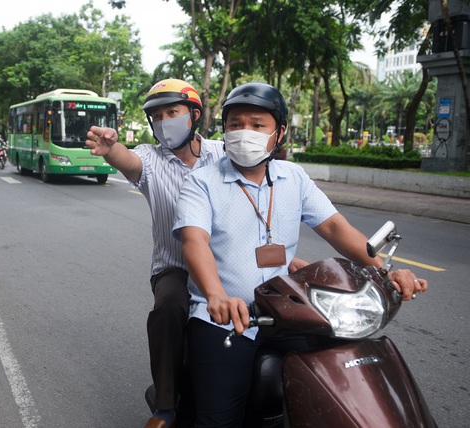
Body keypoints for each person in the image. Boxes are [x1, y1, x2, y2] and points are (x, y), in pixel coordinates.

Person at [172, 82, 428, 427]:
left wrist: (384, 271)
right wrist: (217, 295)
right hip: (226, 319)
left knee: (342, 381)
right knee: (218, 420)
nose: (243, 132)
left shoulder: (293, 177)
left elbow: (336, 229)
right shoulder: (201, 182)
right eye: (235, 124)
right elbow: (194, 241)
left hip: (288, 311)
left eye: (257, 124)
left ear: (279, 132)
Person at [88, 78, 286, 428]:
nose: (165, 121)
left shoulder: (222, 152)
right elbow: (129, 161)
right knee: (169, 306)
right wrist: (110, 149)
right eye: (158, 116)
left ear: (194, 114)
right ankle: (165, 407)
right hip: (176, 267)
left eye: (172, 112)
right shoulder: (150, 158)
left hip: (231, 260)